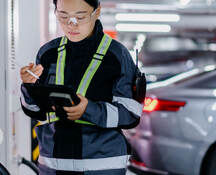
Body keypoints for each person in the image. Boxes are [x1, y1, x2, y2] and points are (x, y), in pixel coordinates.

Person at [19, 0, 143, 174]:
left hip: (102, 167)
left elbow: (131, 115)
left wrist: (88, 109)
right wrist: (28, 86)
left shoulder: (116, 55)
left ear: (97, 12)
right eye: (63, 16)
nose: (71, 24)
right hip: (53, 166)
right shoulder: (47, 53)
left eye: (80, 17)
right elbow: (34, 110)